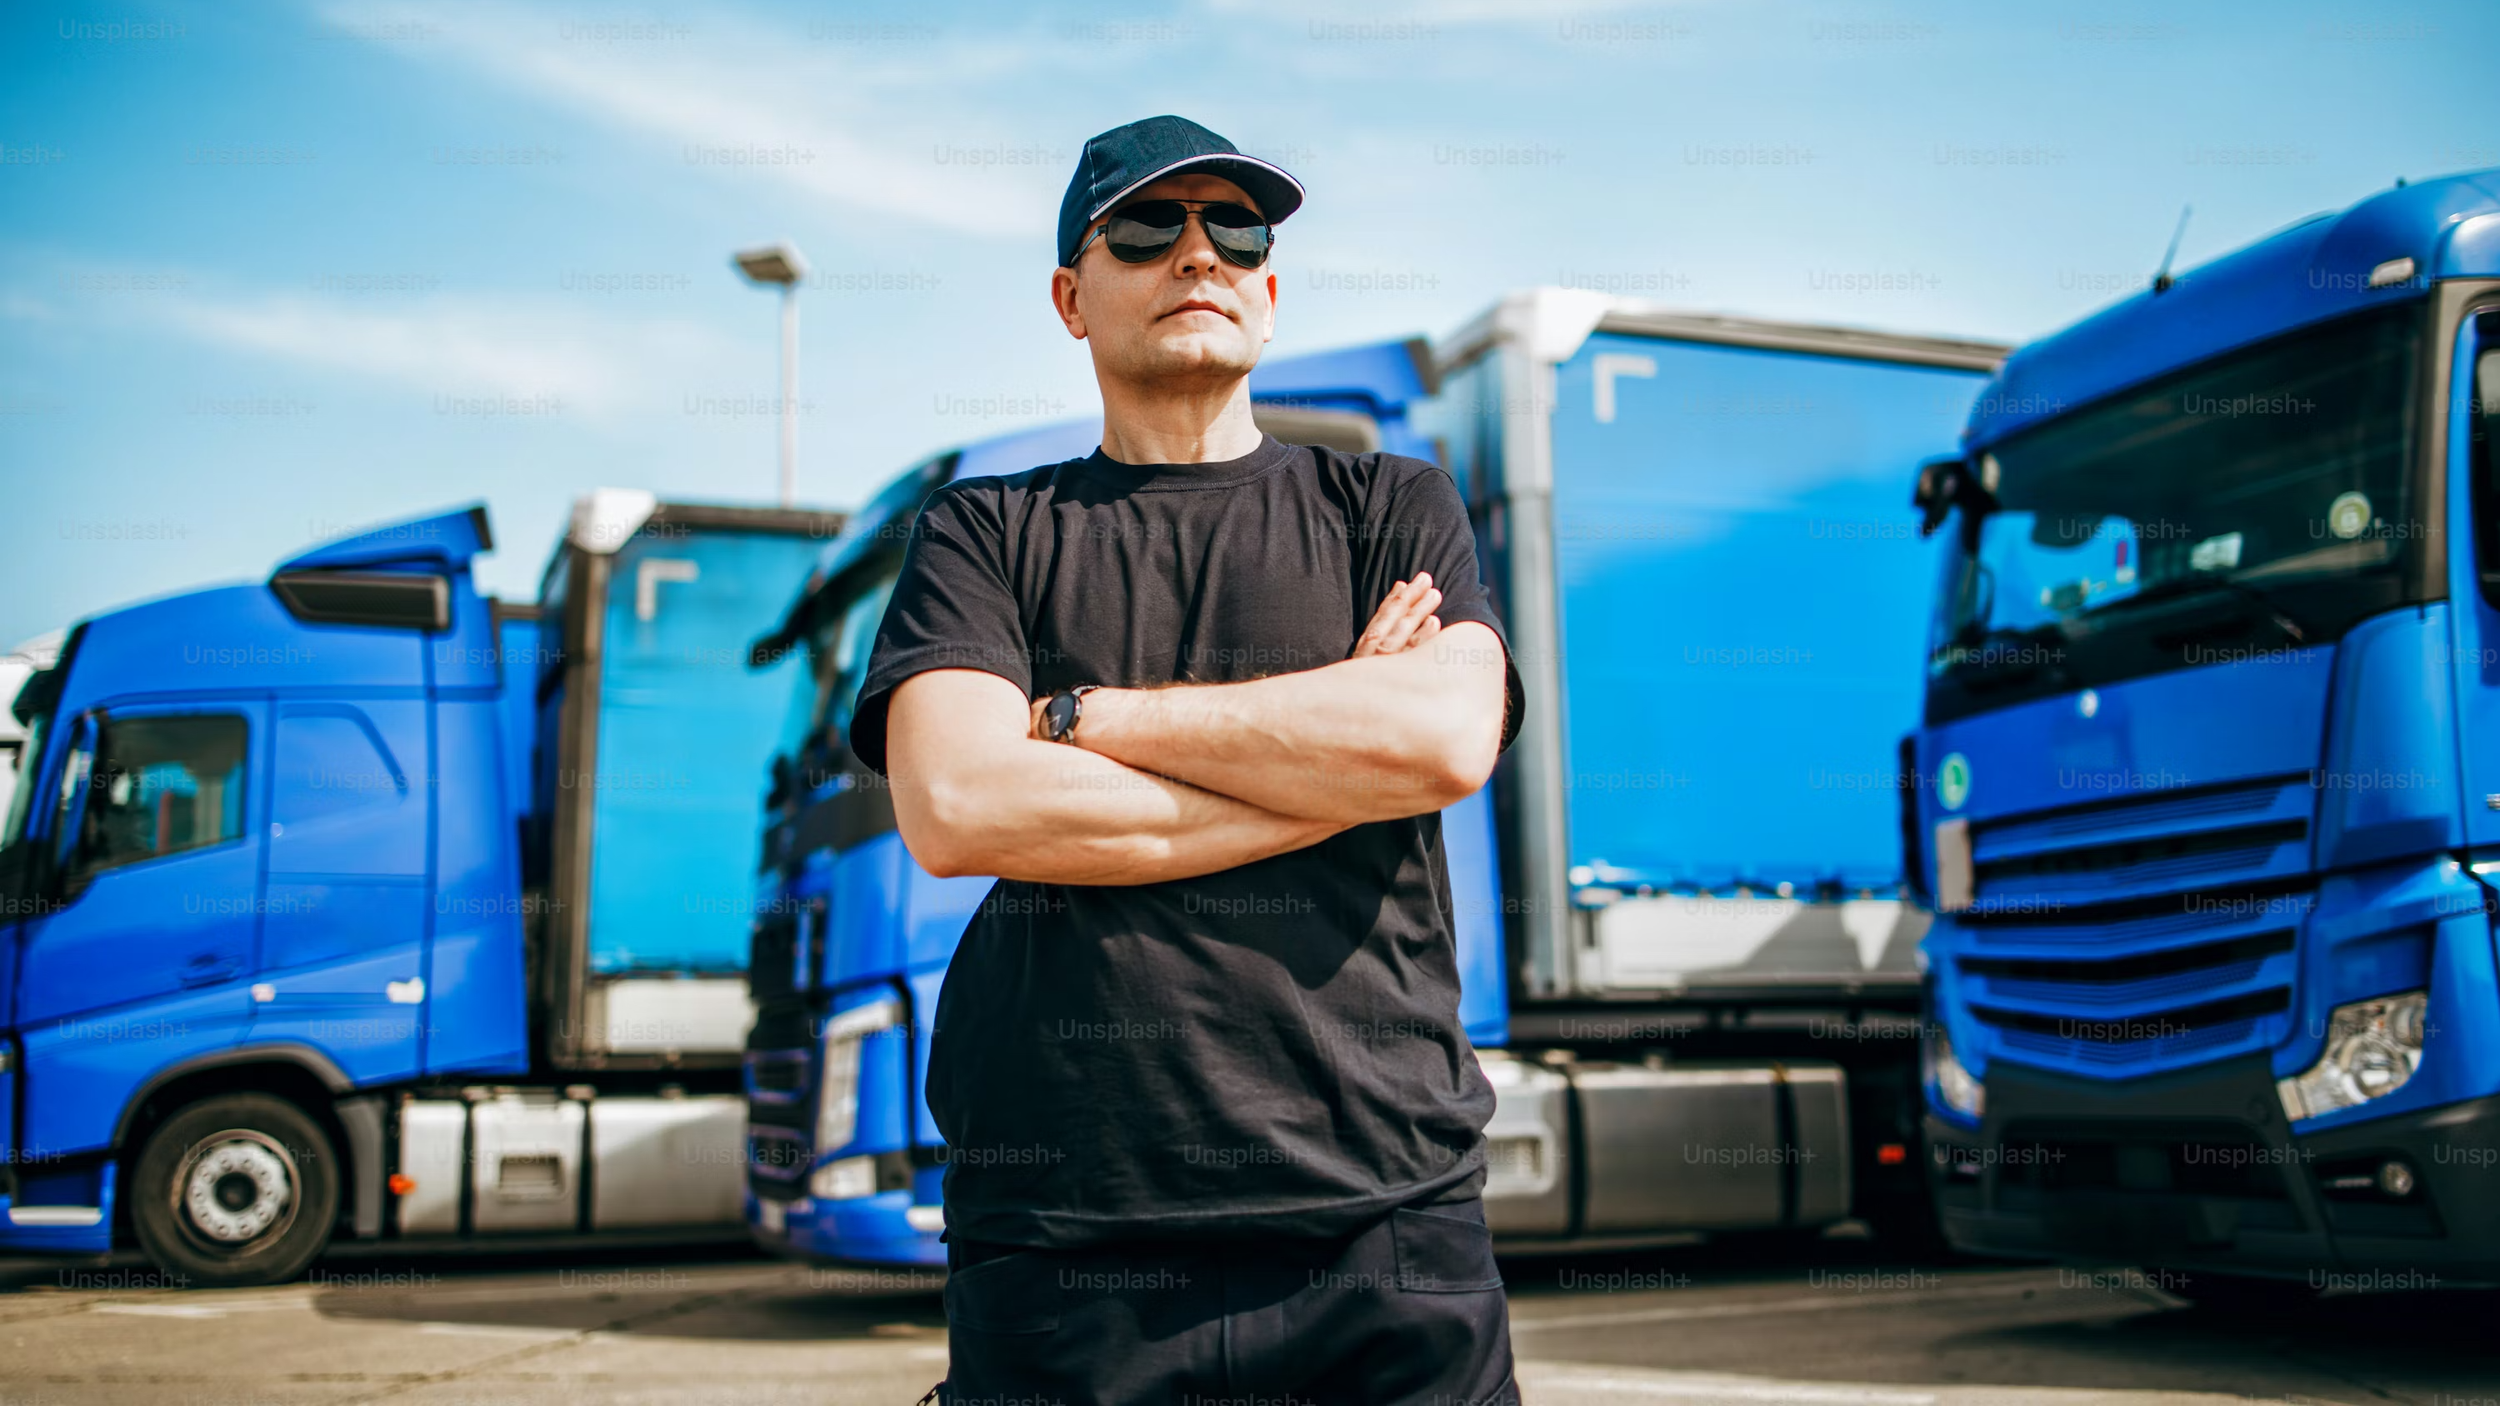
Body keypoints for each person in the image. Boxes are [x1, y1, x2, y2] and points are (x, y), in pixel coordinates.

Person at [851, 114, 1524, 1405]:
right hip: (1068, 1243)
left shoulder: (1393, 504)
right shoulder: (983, 531)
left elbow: (1441, 738)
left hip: (1385, 1225)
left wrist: (1075, 715)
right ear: (1070, 296)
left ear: (1269, 291)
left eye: (1238, 230)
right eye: (1148, 229)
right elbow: (957, 803)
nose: (1198, 255)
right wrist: (1334, 762)